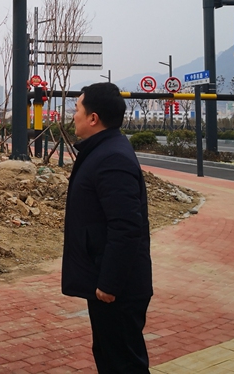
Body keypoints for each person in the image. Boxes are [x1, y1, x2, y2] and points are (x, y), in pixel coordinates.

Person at [62, 82, 153, 373]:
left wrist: (110, 282)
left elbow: (126, 226)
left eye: (77, 109)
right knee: (109, 355)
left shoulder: (112, 158)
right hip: (104, 277)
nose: (73, 115)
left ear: (93, 118)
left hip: (117, 288)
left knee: (123, 362)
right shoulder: (103, 149)